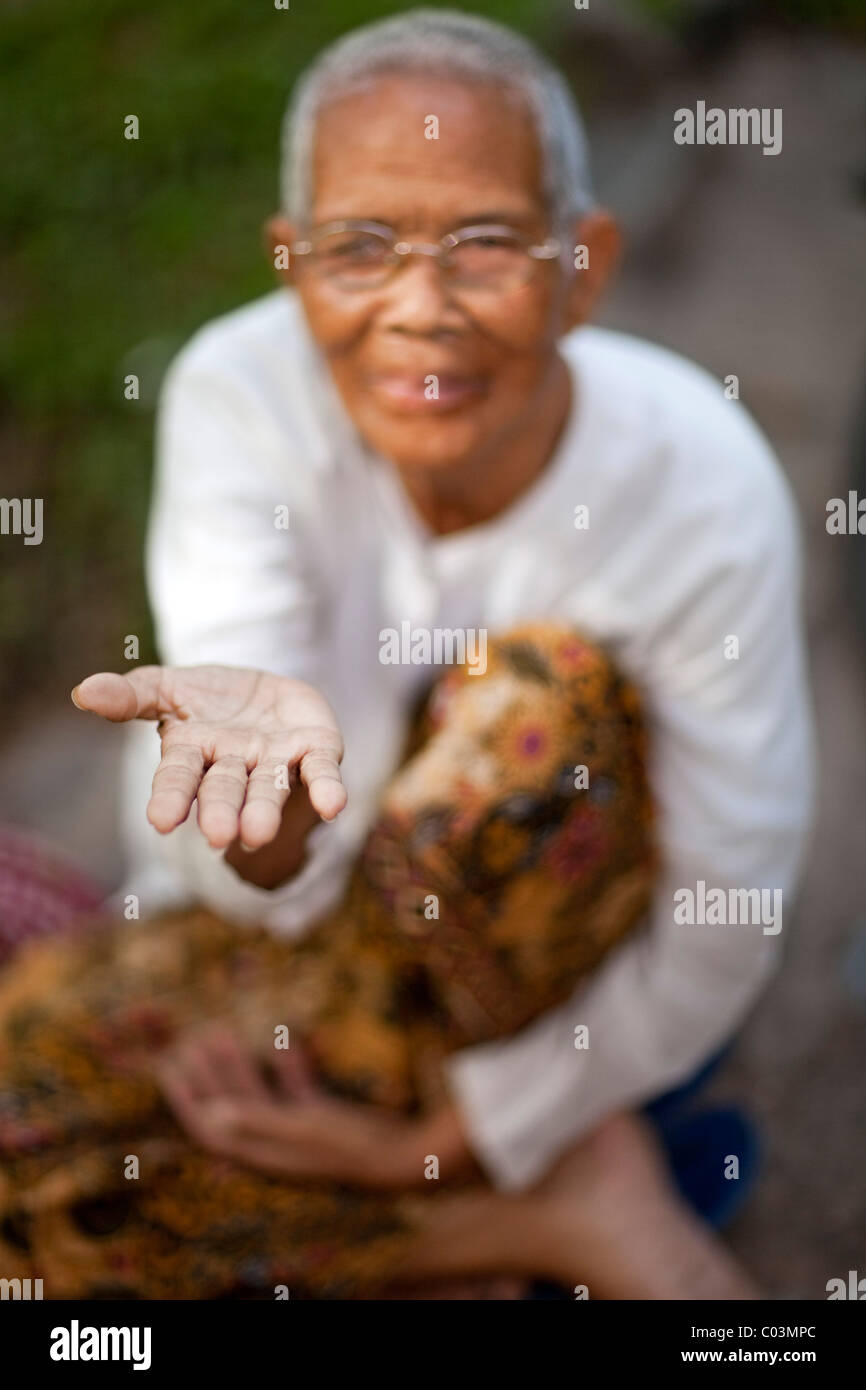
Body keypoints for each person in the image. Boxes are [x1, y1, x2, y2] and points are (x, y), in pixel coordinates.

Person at [0, 9, 812, 1299]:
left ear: (584, 267)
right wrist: (262, 823)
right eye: (359, 248)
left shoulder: (698, 484)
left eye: (483, 244)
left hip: (544, 985)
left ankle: (524, 1165)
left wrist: (467, 1130)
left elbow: (729, 901)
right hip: (298, 955)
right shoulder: (235, 397)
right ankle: (536, 1222)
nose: (419, 310)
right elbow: (255, 847)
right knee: (20, 1180)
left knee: (548, 699)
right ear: (289, 265)